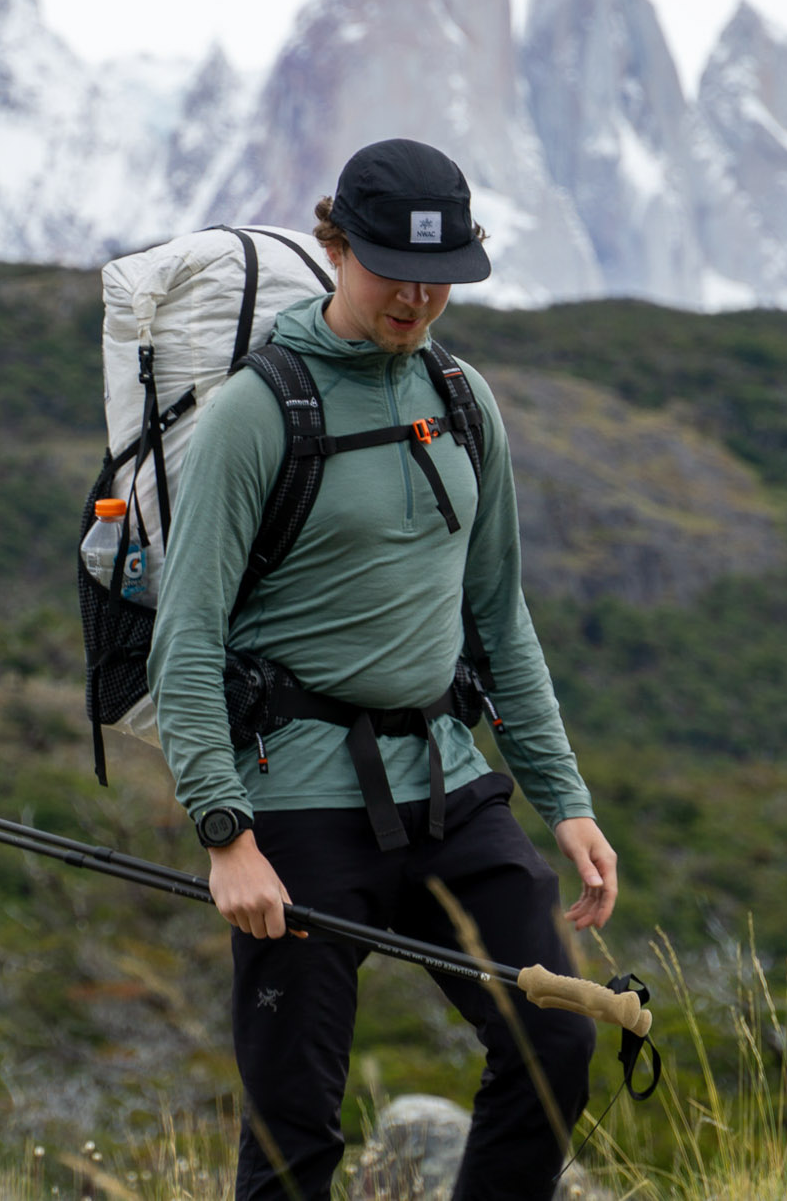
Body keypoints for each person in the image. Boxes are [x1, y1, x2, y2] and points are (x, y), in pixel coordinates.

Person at [148, 137, 619, 1201]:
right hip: (297, 802)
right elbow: (186, 633)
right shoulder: (254, 415)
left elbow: (498, 615)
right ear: (332, 246)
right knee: (293, 1130)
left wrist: (563, 797)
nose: (416, 297)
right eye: (390, 269)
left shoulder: (461, 399)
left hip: (449, 787)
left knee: (553, 1044)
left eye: (438, 274)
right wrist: (224, 833)